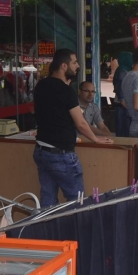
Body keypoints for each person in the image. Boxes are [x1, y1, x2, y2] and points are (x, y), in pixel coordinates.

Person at [33, 49, 112, 207]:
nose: (78, 66)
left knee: (48, 201)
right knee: (77, 203)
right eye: (75, 62)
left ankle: (46, 231)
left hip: (41, 150)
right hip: (61, 154)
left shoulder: (41, 86)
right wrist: (96, 139)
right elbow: (81, 123)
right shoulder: (65, 90)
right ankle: (76, 232)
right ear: (64, 66)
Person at [112, 51, 133, 137]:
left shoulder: (124, 70)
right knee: (123, 129)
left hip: (123, 104)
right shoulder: (122, 72)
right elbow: (119, 89)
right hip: (122, 105)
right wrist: (124, 102)